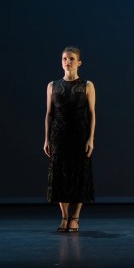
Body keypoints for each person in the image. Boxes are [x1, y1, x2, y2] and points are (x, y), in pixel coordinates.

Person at [43, 46, 96, 233]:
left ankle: (75, 217)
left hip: (80, 135)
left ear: (79, 62)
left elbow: (92, 113)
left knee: (79, 175)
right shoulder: (52, 86)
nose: (68, 61)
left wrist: (91, 139)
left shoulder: (87, 85)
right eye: (65, 58)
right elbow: (49, 114)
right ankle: (64, 217)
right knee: (60, 176)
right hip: (59, 136)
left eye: (72, 59)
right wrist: (47, 139)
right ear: (61, 62)